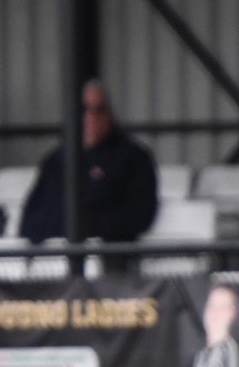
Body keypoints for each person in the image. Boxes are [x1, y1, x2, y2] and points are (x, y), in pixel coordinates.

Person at [19, 80, 158, 251]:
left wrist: (88, 227)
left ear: (109, 114)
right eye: (84, 110)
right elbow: (30, 220)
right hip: (53, 257)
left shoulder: (134, 158)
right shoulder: (55, 161)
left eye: (99, 110)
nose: (91, 117)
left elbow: (138, 216)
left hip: (109, 256)